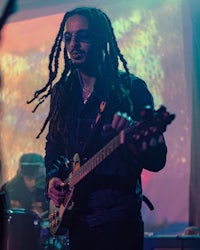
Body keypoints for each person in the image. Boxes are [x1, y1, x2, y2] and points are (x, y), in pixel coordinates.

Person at [28, 7, 169, 250]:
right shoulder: (64, 92)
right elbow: (54, 145)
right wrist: (52, 178)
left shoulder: (131, 89)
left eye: (83, 36)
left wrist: (133, 140)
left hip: (118, 222)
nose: (74, 44)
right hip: (78, 221)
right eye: (68, 37)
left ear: (100, 40)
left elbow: (157, 159)